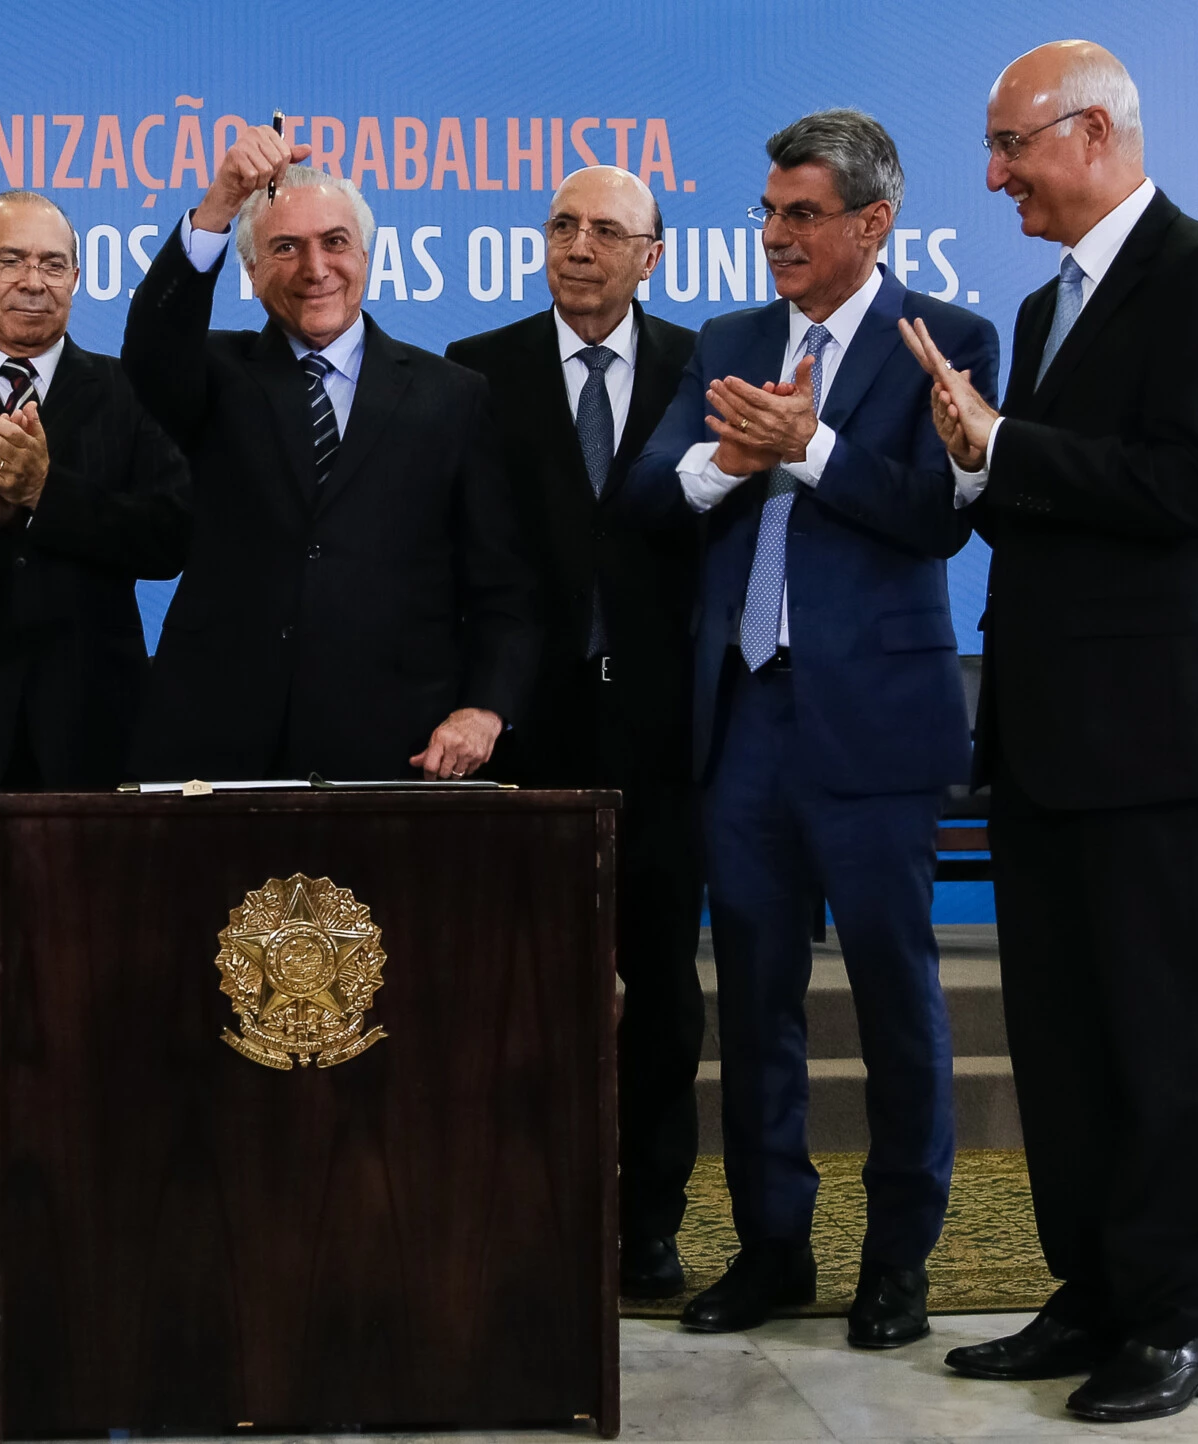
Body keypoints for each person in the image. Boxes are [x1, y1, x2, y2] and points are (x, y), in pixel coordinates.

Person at [902, 40, 1198, 1424]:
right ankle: (1094, 1292)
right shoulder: (1046, 305)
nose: (994, 176)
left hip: (1158, 733)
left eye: (1012, 147)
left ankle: (1175, 1317)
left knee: (1156, 1036)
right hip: (1048, 731)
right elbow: (1045, 505)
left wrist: (1010, 444)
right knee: (1059, 1036)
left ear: (1096, 134)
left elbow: (1188, 485)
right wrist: (974, 459)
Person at [628, 110, 997, 1349]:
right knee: (754, 1002)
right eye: (767, 213)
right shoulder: (729, 342)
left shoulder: (949, 338)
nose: (776, 236)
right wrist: (734, 459)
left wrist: (816, 444)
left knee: (896, 999)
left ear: (871, 222)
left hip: (877, 724)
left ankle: (897, 1260)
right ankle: (772, 1247)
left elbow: (935, 520)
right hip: (744, 720)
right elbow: (654, 490)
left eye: (801, 215)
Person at [0, 190, 192, 1307]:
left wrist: (50, 495)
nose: (34, 282)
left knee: (97, 994)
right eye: (10, 261)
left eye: (55, 264)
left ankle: (92, 1208)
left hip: (94, 744)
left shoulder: (124, 395)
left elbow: (170, 536)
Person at [444, 166, 705, 1300]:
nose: (579, 247)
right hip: (521, 726)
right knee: (515, 984)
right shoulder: (474, 372)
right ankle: (516, 1204)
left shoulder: (707, 365)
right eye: (562, 225)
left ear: (652, 255)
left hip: (664, 725)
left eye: (607, 231)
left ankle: (647, 1219)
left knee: (658, 981)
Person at [122, 127, 539, 781]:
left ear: (366, 256)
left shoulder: (452, 395)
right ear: (253, 272)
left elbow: (502, 586)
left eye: (335, 243)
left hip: (397, 748)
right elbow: (150, 346)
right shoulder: (213, 375)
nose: (315, 269)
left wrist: (485, 708)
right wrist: (220, 204)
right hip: (217, 742)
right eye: (286, 248)